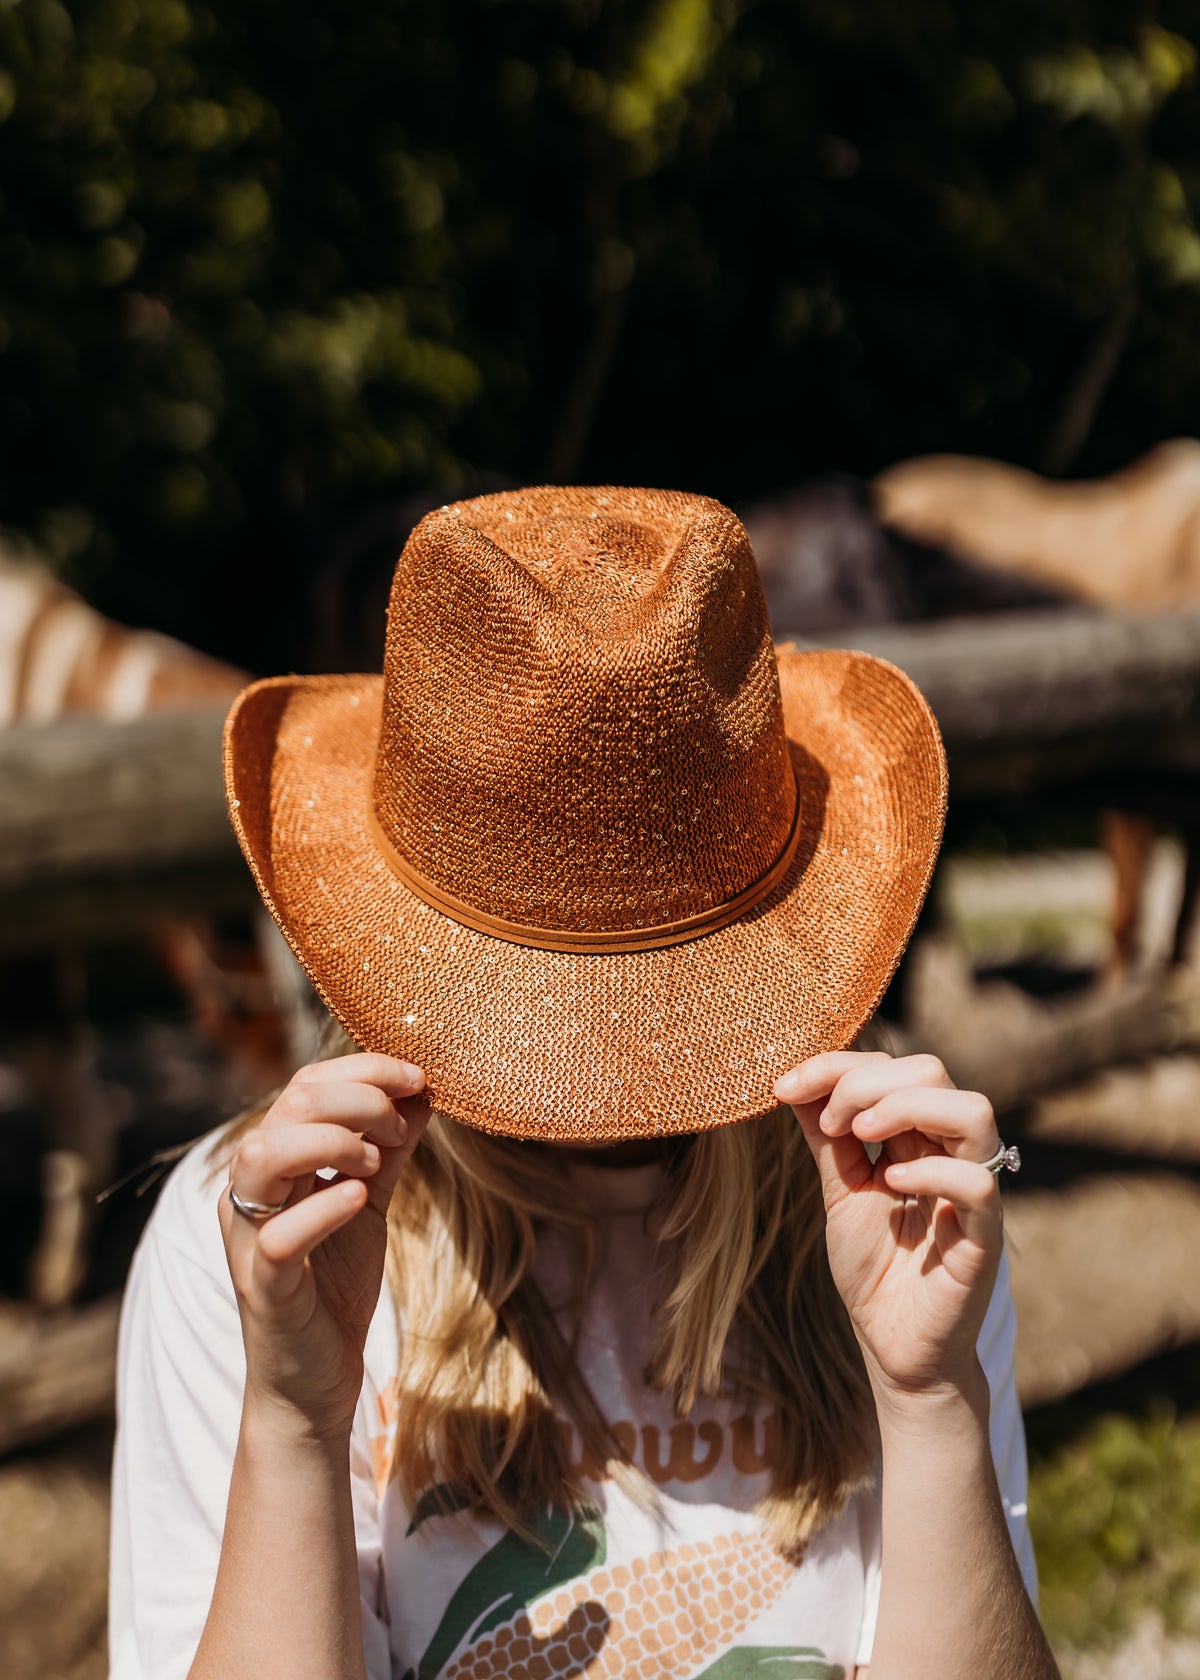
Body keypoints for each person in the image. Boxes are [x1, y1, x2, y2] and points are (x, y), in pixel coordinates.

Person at [109, 486, 1059, 1680]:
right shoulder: (257, 1242)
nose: (607, 1078)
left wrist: (931, 1409)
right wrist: (295, 1425)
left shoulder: (898, 1216)